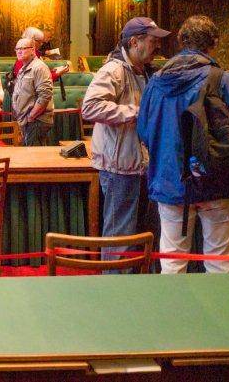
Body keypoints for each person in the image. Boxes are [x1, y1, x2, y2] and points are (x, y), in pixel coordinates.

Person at [138, 15, 229, 274]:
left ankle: (175, 315)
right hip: (218, 181)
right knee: (222, 262)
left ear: (181, 41)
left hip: (170, 180)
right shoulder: (225, 81)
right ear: (213, 43)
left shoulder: (156, 82)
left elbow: (145, 131)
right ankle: (219, 314)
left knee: (172, 259)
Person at [81, 16, 169, 269]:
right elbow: (90, 107)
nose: (157, 47)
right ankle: (115, 293)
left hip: (141, 166)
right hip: (120, 168)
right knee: (120, 240)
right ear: (134, 42)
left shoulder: (146, 71)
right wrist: (137, 112)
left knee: (142, 237)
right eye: (153, 41)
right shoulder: (114, 70)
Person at [11, 37, 54, 146]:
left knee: (34, 159)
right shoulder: (24, 68)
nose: (19, 51)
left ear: (32, 50)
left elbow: (45, 95)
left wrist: (31, 117)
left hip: (36, 121)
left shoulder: (39, 67)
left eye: (23, 48)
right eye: (17, 49)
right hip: (28, 121)